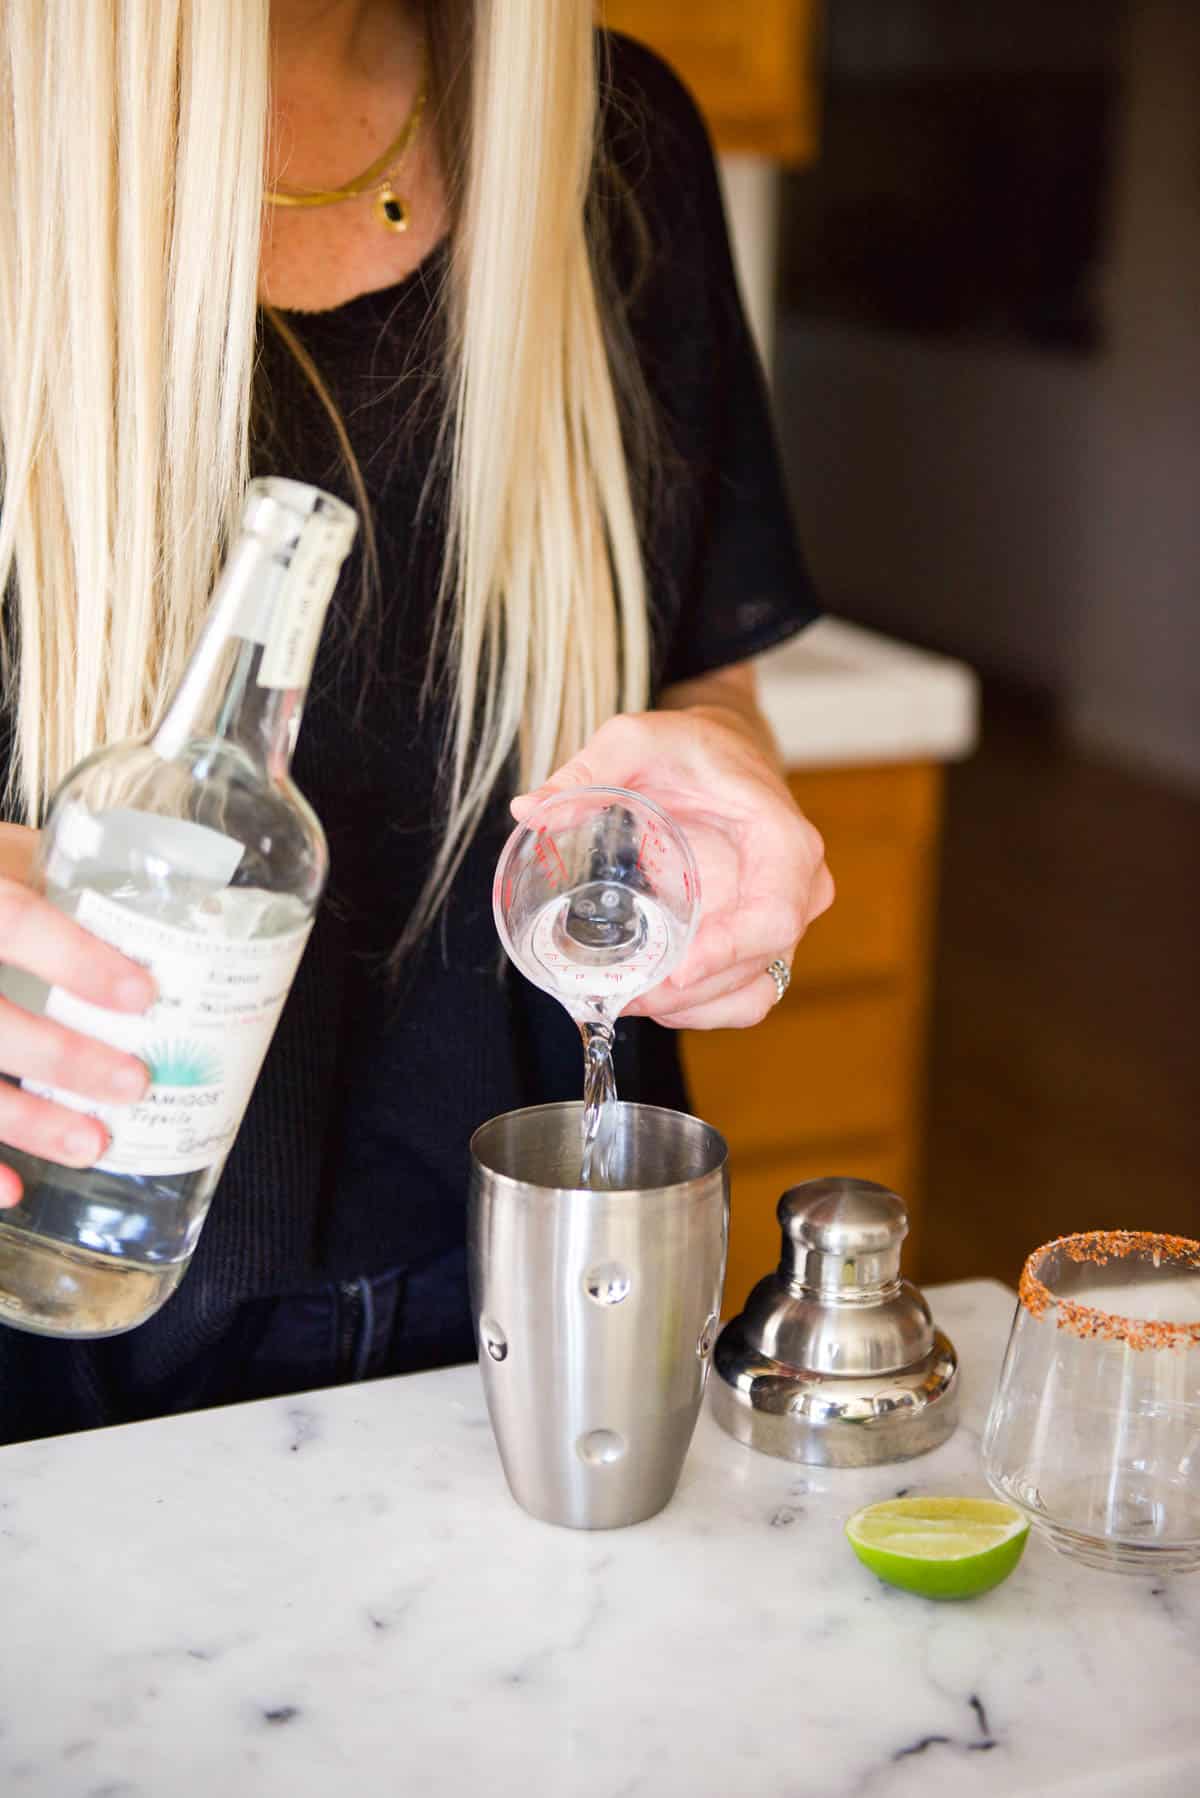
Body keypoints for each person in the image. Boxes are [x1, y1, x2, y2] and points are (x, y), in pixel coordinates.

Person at [0, 1, 833, 1443]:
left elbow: (699, 683)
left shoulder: (613, 139)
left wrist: (722, 786)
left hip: (544, 1285)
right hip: (60, 1295)